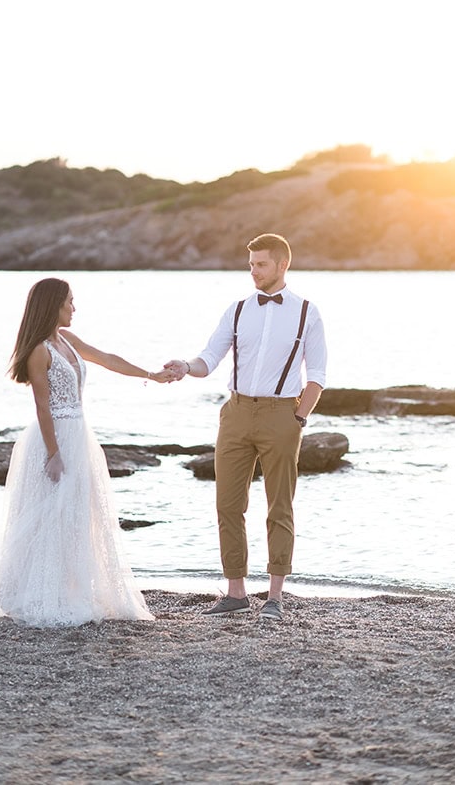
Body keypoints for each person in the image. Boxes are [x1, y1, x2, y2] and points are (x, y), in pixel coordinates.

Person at [0, 277, 173, 626]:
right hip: (53, 438)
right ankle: (42, 591)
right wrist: (54, 453)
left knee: (75, 516)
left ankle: (72, 589)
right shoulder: (39, 350)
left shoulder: (67, 340)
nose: (74, 307)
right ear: (53, 305)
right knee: (50, 516)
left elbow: (106, 358)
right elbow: (42, 406)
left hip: (79, 435)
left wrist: (151, 374)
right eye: (69, 301)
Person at [165, 234, 327, 621]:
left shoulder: (307, 312)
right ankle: (235, 593)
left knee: (279, 506)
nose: (253, 271)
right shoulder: (237, 310)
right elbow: (209, 358)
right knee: (227, 504)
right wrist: (186, 368)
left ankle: (274, 597)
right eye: (251, 264)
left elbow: (317, 374)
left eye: (261, 264)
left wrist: (298, 418)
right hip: (235, 413)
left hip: (281, 416)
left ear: (282, 265)